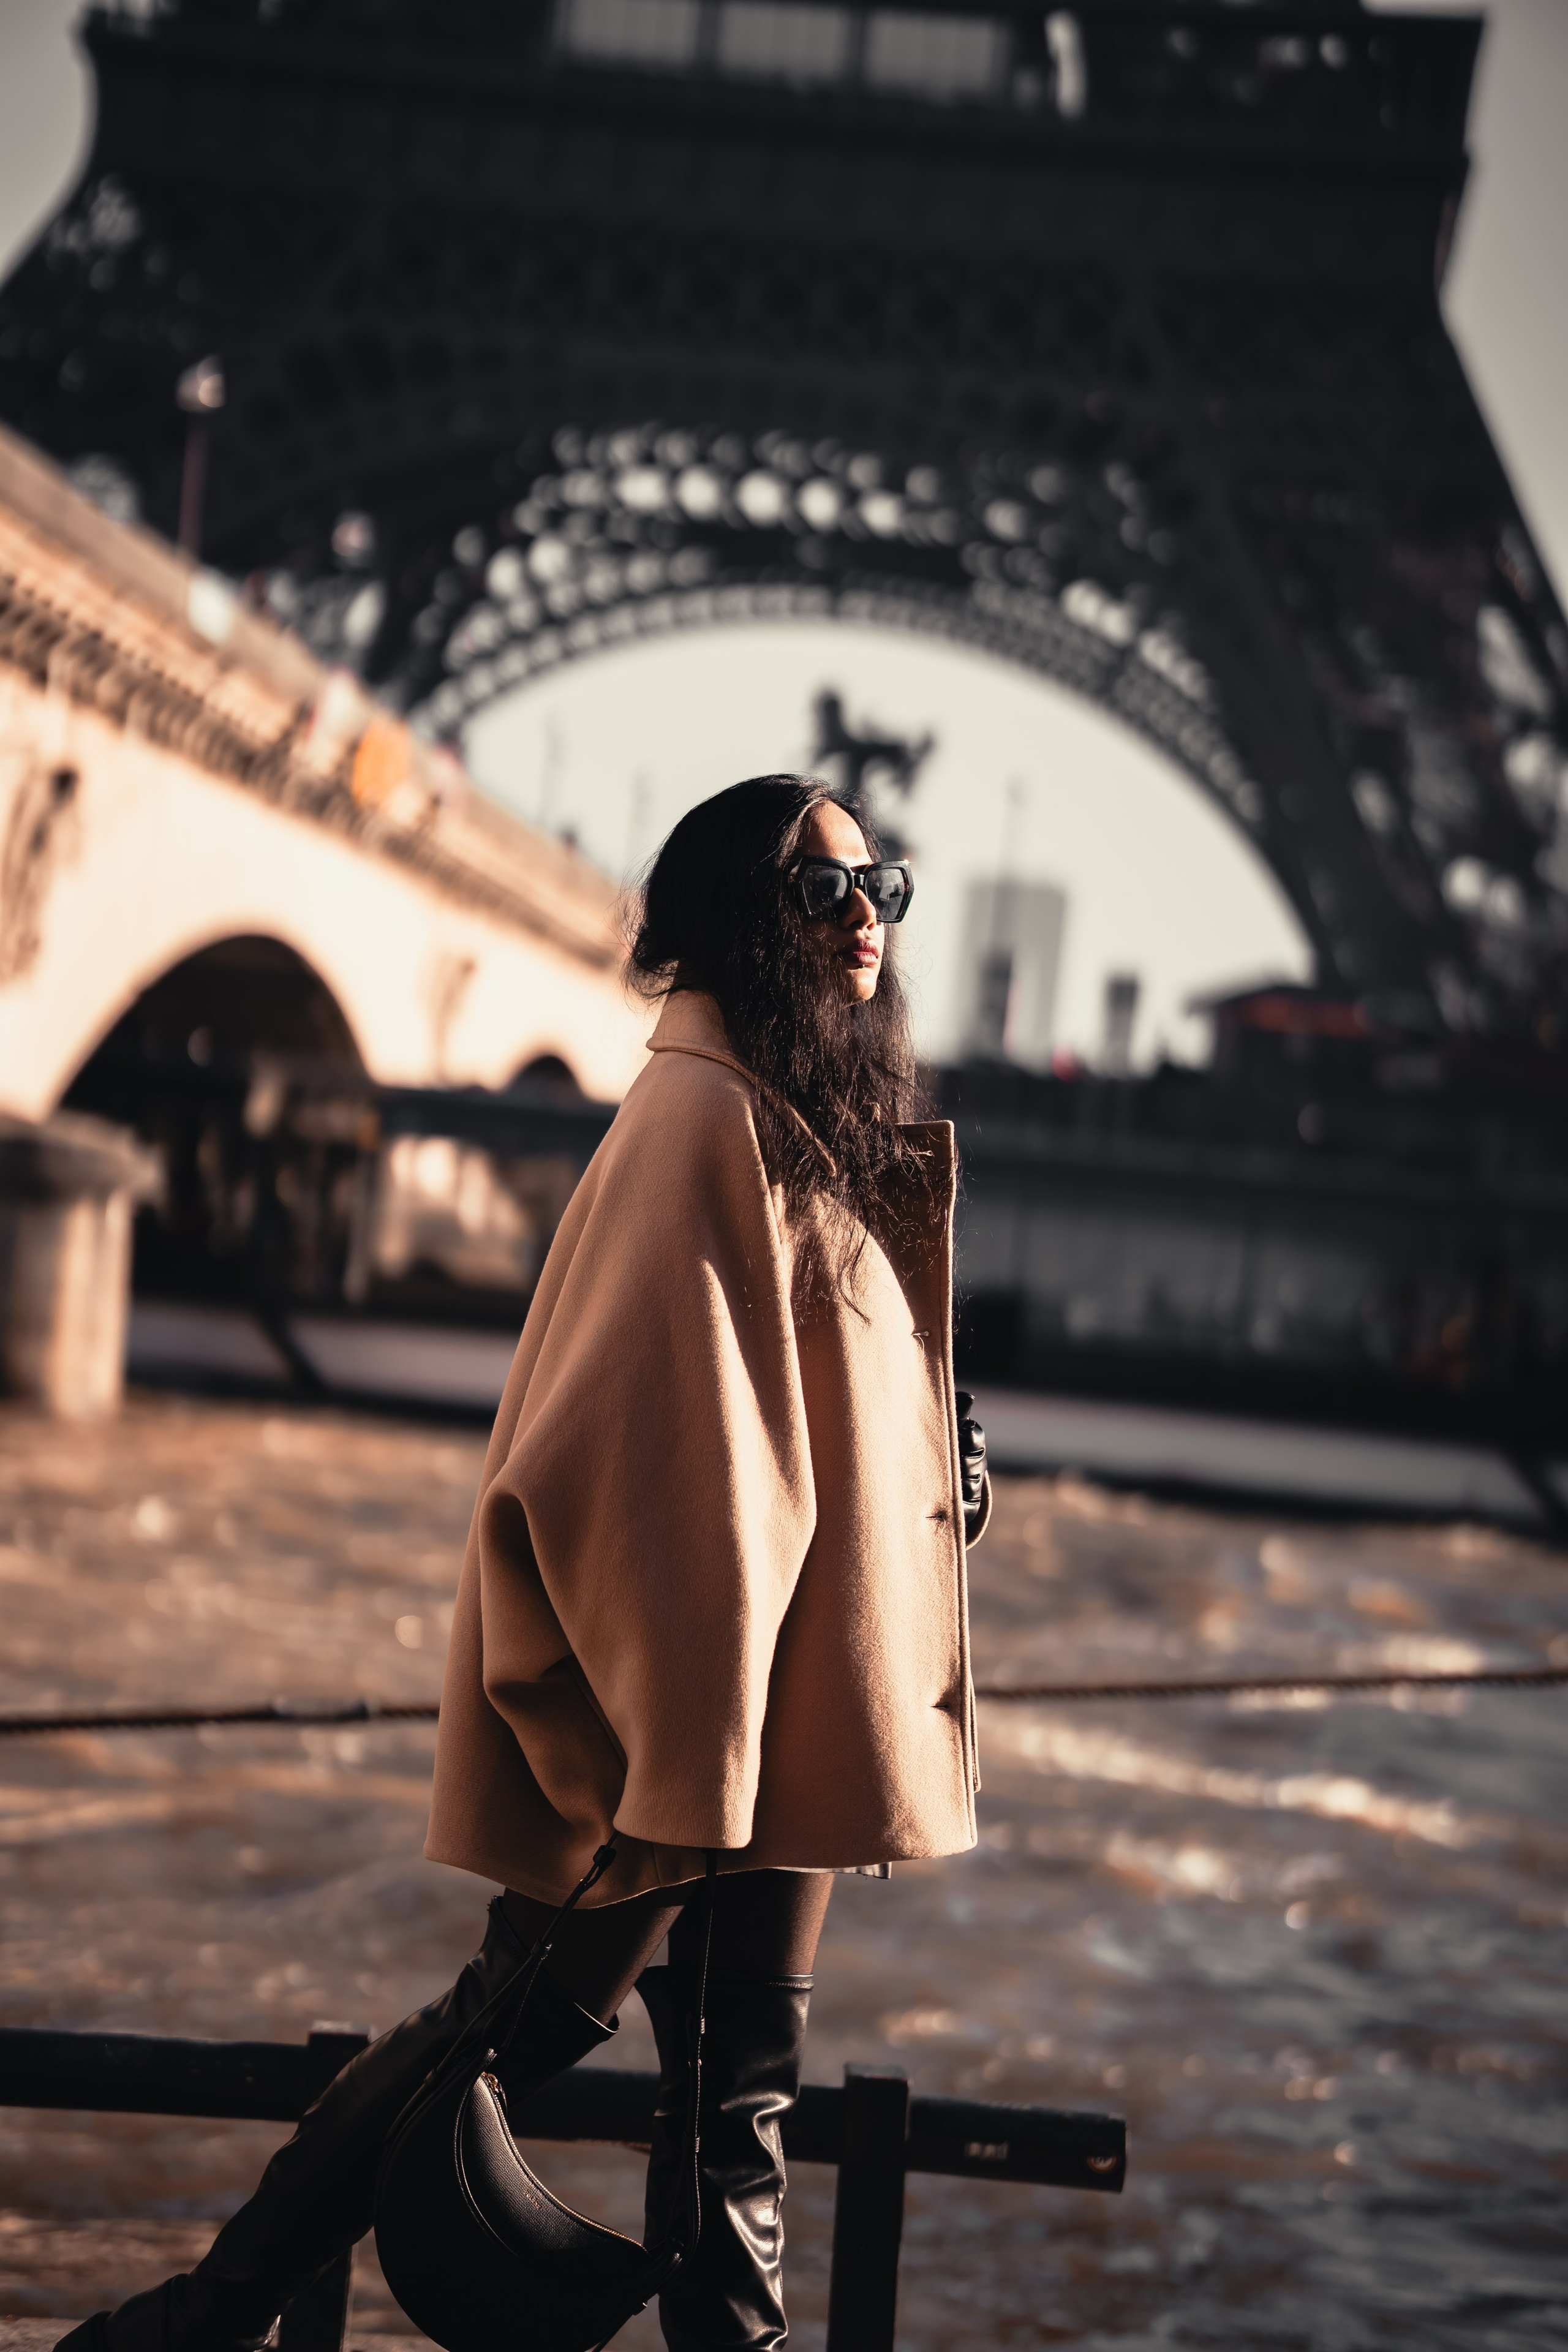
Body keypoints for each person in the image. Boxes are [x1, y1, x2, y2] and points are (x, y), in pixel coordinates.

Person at [61, 774, 988, 2352]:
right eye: (822, 888)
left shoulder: (789, 1125)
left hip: (775, 1712)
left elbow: (799, 1421)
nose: (862, 921)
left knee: (738, 2100)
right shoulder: (703, 1119)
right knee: (501, 2033)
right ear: (731, 921)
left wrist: (938, 1471)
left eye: (880, 890)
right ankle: (202, 2322)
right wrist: (666, 1751)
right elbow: (636, 1456)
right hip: (685, 1734)